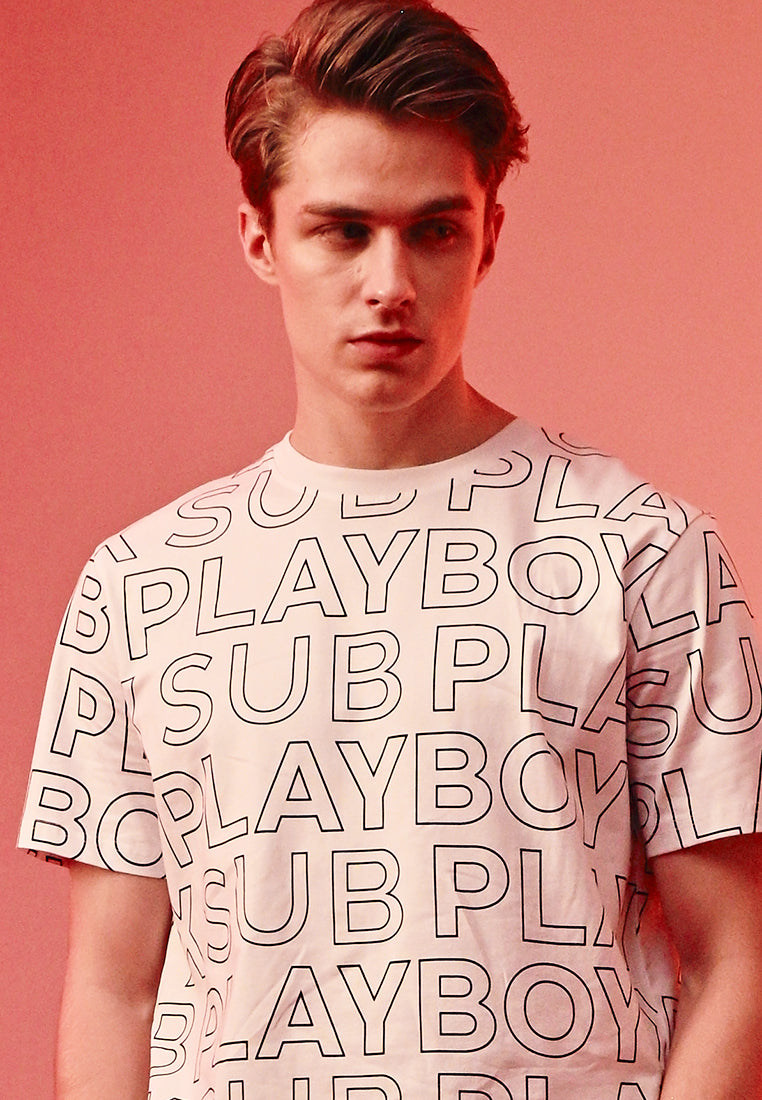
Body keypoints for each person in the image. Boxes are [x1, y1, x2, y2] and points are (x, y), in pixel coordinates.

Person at [18, 1, 762, 1097]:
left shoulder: (643, 552)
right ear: (260, 238)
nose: (391, 285)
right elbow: (112, 987)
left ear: (488, 235)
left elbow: (736, 956)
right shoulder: (140, 583)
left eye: (434, 230)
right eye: (342, 230)